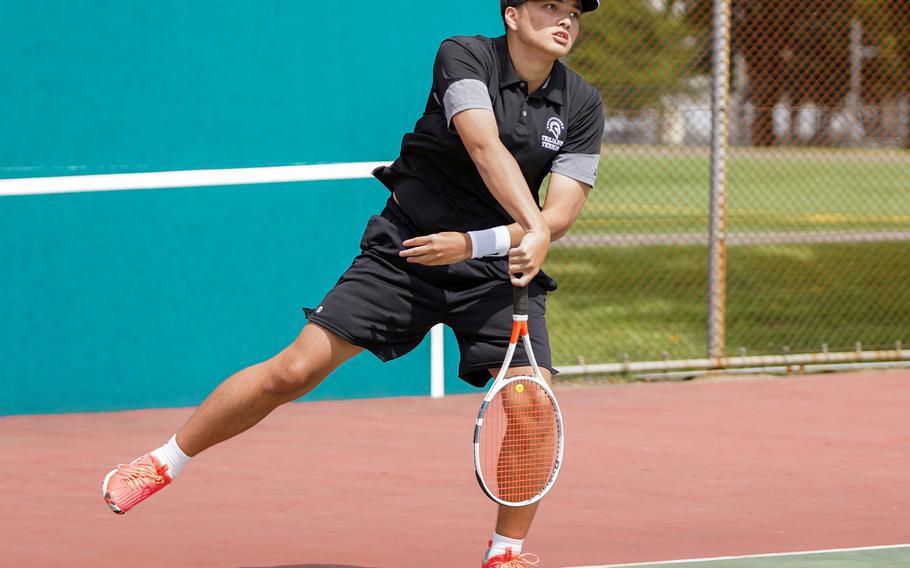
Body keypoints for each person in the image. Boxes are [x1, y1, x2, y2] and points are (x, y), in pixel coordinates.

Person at [101, 1, 603, 565]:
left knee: (532, 404)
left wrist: (479, 243)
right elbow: (483, 147)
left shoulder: (581, 102)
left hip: (493, 267)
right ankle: (165, 460)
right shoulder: (463, 55)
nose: (566, 20)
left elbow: (559, 214)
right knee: (294, 370)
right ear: (512, 14)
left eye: (575, 12)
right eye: (550, 6)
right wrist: (531, 227)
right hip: (407, 250)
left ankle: (506, 553)